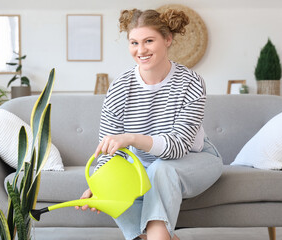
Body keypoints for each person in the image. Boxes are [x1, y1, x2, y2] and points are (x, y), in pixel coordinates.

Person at [75, 8, 223, 240]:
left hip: (194, 160)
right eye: (134, 42)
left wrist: (131, 138)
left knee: (160, 169)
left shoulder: (191, 82)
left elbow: (177, 146)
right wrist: (101, 183)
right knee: (117, 189)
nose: (140, 50)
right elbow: (108, 149)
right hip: (141, 166)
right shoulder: (119, 87)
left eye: (149, 41)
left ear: (167, 39)